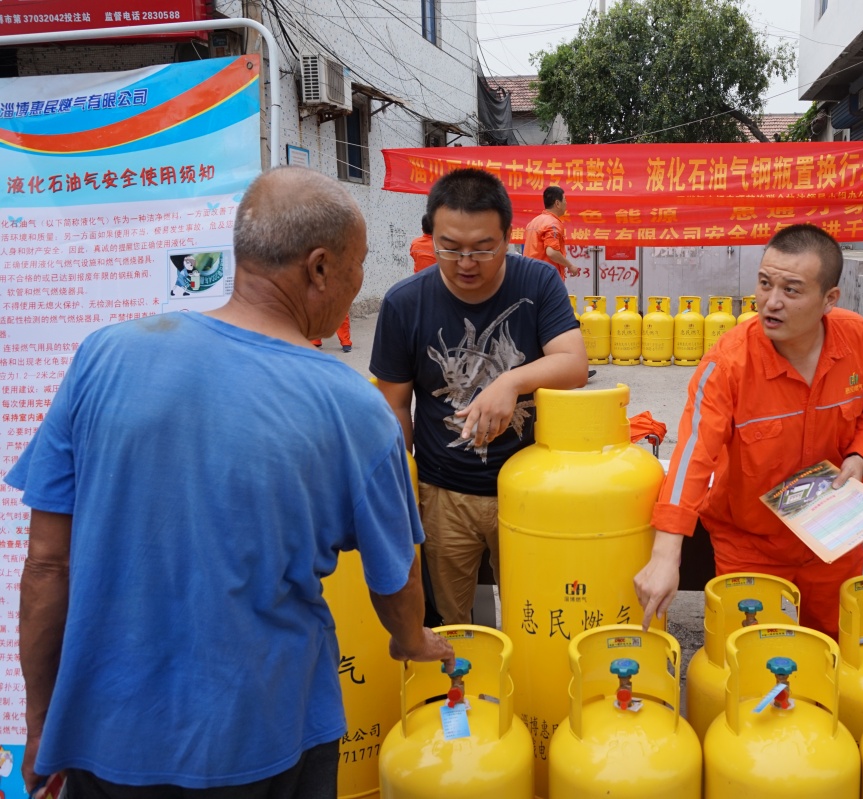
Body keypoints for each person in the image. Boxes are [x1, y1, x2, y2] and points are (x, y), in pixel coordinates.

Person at [11, 167, 453, 798]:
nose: (357, 288)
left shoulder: (104, 356)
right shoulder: (354, 409)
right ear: (320, 268)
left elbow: (47, 566)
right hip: (268, 738)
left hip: (103, 739)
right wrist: (412, 640)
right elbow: (397, 578)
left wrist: (39, 726)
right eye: (357, 270)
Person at [633, 224, 863, 640]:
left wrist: (860, 456)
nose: (771, 302)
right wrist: (667, 554)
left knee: (830, 651)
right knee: (752, 661)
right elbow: (692, 456)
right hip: (750, 545)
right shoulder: (727, 365)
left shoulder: (858, 339)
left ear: (829, 299)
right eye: (764, 283)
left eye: (792, 290)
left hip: (832, 539)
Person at [371, 168, 588, 626]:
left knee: (535, 612)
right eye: (449, 247)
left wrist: (509, 382)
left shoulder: (537, 284)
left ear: (509, 236)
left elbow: (574, 364)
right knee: (452, 621)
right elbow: (394, 406)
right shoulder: (404, 303)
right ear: (430, 236)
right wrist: (402, 486)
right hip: (443, 492)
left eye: (484, 247)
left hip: (530, 490)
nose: (466, 261)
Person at [522, 185, 581, 281]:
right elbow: (552, 252)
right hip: (545, 279)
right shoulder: (553, 223)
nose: (566, 203)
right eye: (564, 199)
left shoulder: (534, 222)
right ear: (557, 203)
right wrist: (570, 265)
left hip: (530, 277)